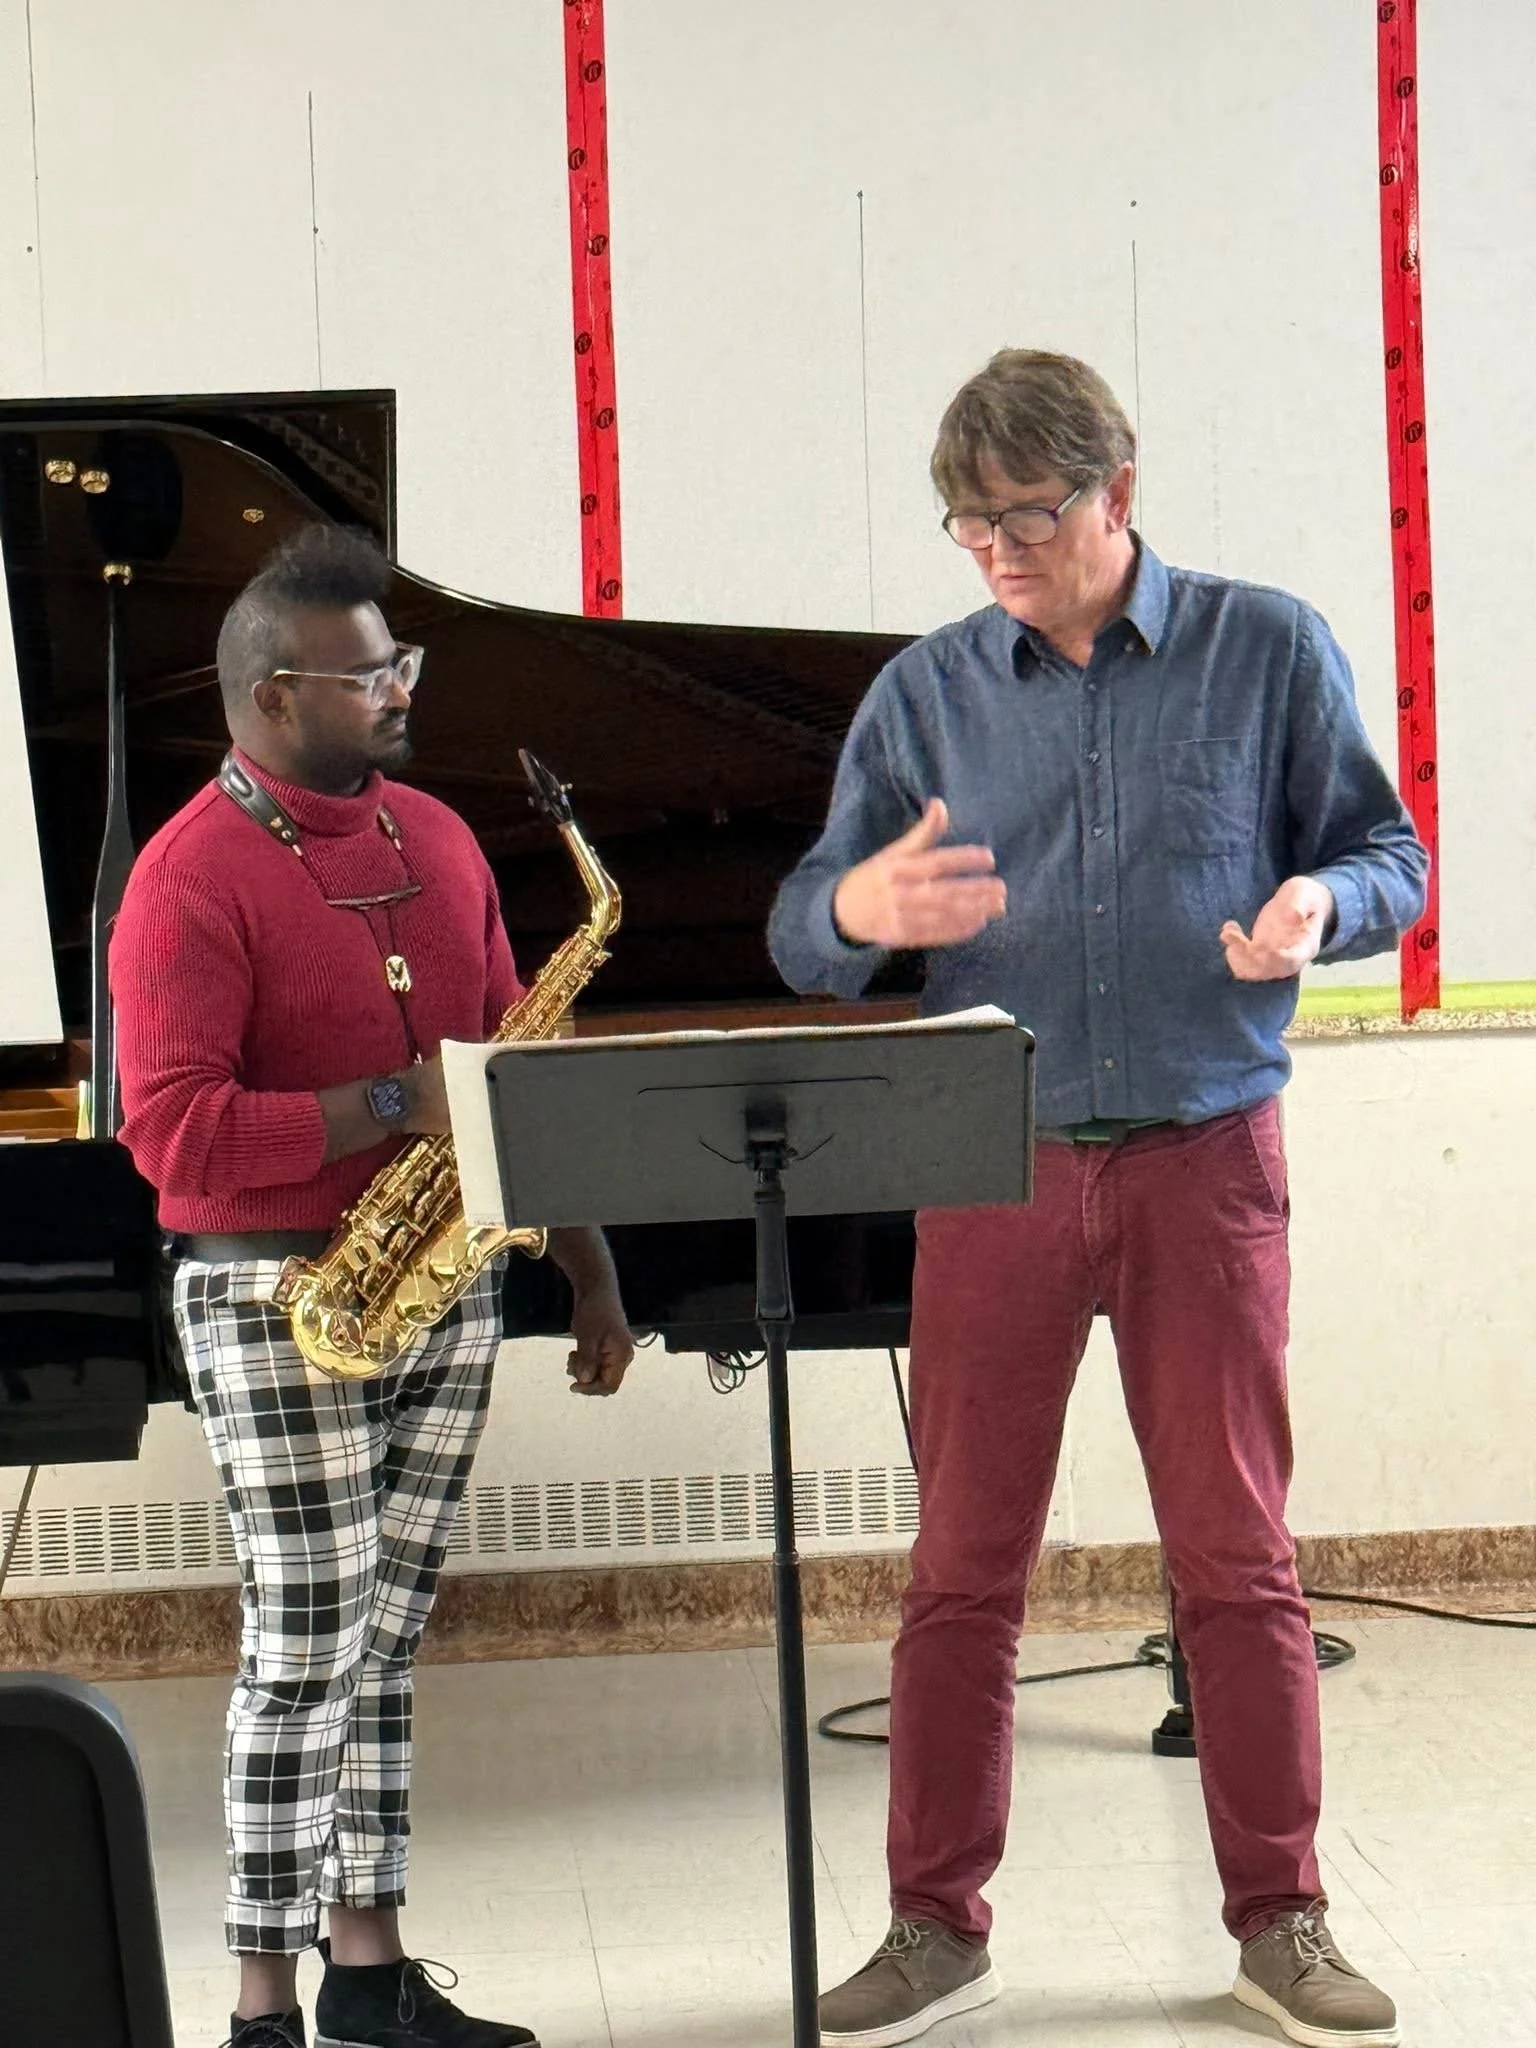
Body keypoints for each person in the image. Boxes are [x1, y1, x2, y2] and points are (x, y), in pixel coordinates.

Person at [769, 351, 1427, 2048]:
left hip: (1210, 1158)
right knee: (963, 1569)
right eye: (966, 522)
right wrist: (859, 906)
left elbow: (1393, 860)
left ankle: (1282, 1919)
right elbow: (793, 933)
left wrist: (1316, 911)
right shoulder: (923, 693)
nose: (993, 548)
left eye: (1026, 515)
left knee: (1238, 1560)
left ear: (1115, 492)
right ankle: (935, 1928)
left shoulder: (1264, 647)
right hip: (990, 1166)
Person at [110, 524, 635, 2048]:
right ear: (274, 698)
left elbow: (515, 1068)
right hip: (277, 1294)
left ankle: (373, 1978)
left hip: (441, 1286)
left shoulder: (442, 840)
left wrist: (590, 1276)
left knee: (389, 1638)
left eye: (401, 663)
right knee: (305, 1641)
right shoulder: (185, 879)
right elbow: (175, 1134)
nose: (403, 691)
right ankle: (263, 2007)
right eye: (371, 675)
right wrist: (395, 1106)